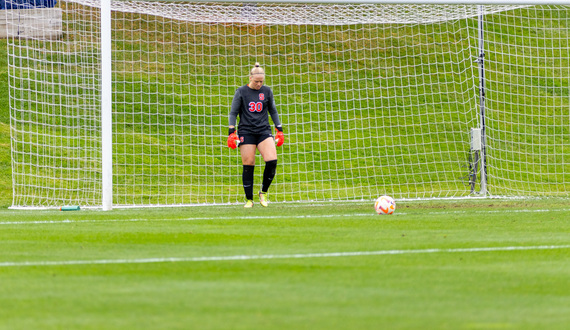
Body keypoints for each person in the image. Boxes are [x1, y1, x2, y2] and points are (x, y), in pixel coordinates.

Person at [227, 62, 284, 208]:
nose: (259, 84)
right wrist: (231, 132)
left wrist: (279, 129)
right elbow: (233, 112)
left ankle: (263, 192)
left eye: (261, 81)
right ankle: (249, 200)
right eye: (256, 81)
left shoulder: (267, 91)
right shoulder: (241, 91)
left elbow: (273, 111)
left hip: (264, 131)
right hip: (246, 131)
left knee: (272, 160)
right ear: (250, 77)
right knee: (248, 164)